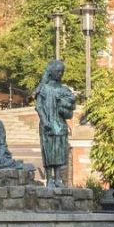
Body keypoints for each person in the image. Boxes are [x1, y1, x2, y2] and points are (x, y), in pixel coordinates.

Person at [34, 58, 76, 188]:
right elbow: (39, 106)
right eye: (58, 71)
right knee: (48, 151)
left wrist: (64, 105)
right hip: (47, 124)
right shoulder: (44, 89)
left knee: (59, 152)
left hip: (60, 125)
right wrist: (45, 121)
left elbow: (71, 104)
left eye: (62, 71)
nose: (60, 74)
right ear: (51, 72)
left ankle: (58, 178)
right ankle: (50, 178)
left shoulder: (64, 89)